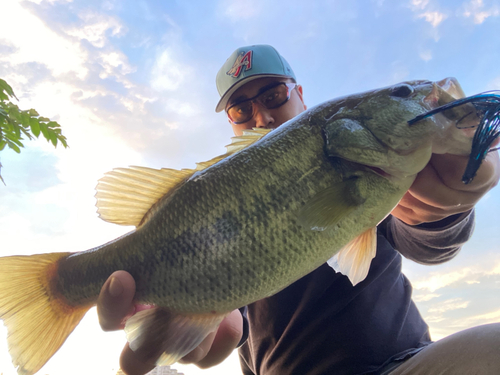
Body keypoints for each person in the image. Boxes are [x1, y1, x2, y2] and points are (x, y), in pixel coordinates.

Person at [97, 45, 500, 374]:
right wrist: (203, 324)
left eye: (273, 95)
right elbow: (230, 321)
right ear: (231, 124)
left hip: (404, 365)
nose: (263, 115)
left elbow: (427, 240)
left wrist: (445, 209)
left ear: (300, 94)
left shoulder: (365, 168)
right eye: (241, 110)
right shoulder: (216, 203)